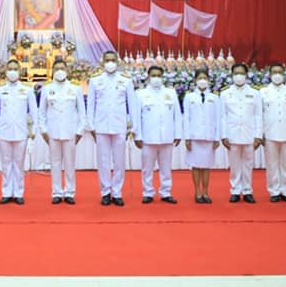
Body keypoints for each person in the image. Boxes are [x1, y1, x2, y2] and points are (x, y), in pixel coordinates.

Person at [87, 50, 137, 206]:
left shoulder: (126, 80)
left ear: (118, 61)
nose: (110, 63)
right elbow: (90, 104)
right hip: (101, 125)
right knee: (103, 161)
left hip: (119, 125)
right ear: (102, 62)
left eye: (113, 60)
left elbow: (132, 105)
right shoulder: (95, 81)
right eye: (107, 60)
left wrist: (133, 126)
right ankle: (105, 192)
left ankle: (117, 192)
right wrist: (91, 126)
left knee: (119, 161)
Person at [37, 59, 87, 205]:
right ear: (52, 71)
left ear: (67, 70)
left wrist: (79, 131)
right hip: (53, 132)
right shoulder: (47, 89)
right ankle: (57, 192)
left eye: (62, 68)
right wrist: (43, 130)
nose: (59, 70)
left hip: (70, 132)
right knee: (55, 163)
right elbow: (42, 112)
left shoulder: (75, 88)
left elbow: (81, 112)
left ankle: (70, 192)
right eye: (56, 68)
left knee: (70, 164)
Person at [133, 66, 182, 204]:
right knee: (147, 168)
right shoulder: (140, 93)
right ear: (148, 76)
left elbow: (176, 115)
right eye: (153, 75)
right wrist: (138, 136)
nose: (156, 78)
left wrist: (178, 133)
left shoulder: (170, 93)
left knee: (166, 167)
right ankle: (147, 192)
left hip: (166, 136)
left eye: (159, 75)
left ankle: (166, 192)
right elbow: (137, 117)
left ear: (163, 77)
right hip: (148, 137)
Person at [0, 59, 37, 205]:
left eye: (15, 69)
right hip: (4, 131)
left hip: (21, 131)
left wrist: (33, 132)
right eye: (9, 69)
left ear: (19, 71)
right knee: (5, 163)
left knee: (18, 163)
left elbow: (34, 113)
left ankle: (18, 192)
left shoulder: (27, 89)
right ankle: (6, 192)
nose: (12, 71)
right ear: (6, 71)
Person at [220, 63, 263, 203]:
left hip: (249, 134)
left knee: (248, 164)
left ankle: (247, 191)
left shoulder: (255, 93)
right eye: (236, 73)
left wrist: (258, 135)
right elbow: (222, 116)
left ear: (246, 75)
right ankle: (235, 190)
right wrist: (223, 135)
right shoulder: (225, 93)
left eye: (242, 73)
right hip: (232, 134)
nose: (239, 76)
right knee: (234, 165)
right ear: (232, 75)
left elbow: (258, 115)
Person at [260, 64, 286, 203]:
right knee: (271, 164)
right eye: (274, 72)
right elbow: (260, 115)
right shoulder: (263, 92)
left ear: (284, 74)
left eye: (280, 72)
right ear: (269, 74)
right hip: (270, 133)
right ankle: (274, 191)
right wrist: (261, 134)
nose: (277, 75)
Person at [183, 69, 219, 204]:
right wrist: (187, 137)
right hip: (194, 136)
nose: (202, 80)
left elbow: (218, 118)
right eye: (200, 78)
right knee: (196, 166)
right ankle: (197, 191)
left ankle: (206, 192)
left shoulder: (214, 98)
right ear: (195, 80)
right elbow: (186, 118)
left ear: (208, 80)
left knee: (206, 165)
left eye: (205, 78)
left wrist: (217, 137)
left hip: (209, 136)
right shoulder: (189, 97)